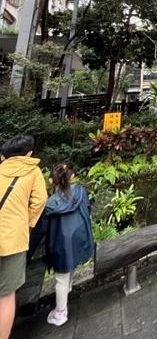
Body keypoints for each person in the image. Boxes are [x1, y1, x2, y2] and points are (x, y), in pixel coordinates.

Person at [30, 162, 94, 327]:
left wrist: (28, 253)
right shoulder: (80, 190)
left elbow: (39, 231)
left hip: (61, 245)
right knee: (69, 271)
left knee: (60, 279)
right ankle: (69, 288)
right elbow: (88, 208)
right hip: (80, 239)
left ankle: (60, 313)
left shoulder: (50, 203)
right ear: (72, 177)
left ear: (51, 181)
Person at [0, 135, 47, 339]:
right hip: (14, 239)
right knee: (6, 295)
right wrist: (26, 223)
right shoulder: (33, 171)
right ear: (28, 153)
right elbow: (40, 201)